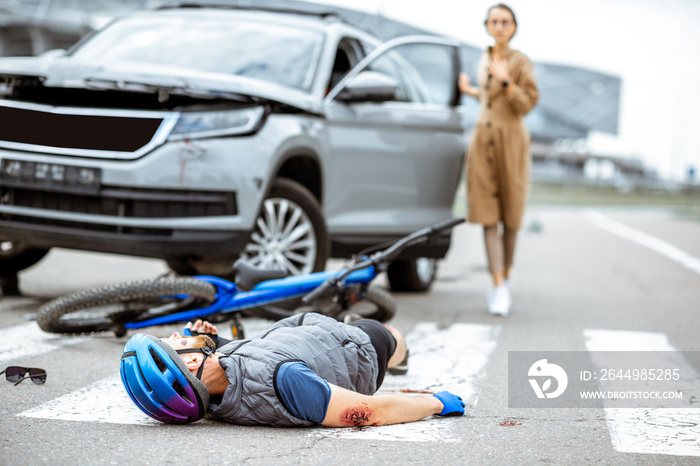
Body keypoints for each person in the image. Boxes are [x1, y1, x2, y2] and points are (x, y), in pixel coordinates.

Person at [120, 315, 465, 427]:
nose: (180, 333)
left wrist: (218, 341)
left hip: (297, 332)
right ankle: (399, 352)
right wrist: (435, 402)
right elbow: (367, 411)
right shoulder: (286, 382)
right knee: (390, 336)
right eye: (176, 341)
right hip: (358, 346)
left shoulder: (216, 394)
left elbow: (246, 369)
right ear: (192, 363)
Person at [458, 3, 539, 317]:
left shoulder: (520, 61)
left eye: (505, 22)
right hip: (482, 141)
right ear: (487, 26)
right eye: (494, 21)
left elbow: (527, 103)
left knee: (511, 215)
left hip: (511, 143)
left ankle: (505, 275)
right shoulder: (484, 57)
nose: (500, 27)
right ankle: (498, 284)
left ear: (514, 27)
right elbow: (489, 97)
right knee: (487, 213)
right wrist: (472, 91)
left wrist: (507, 80)